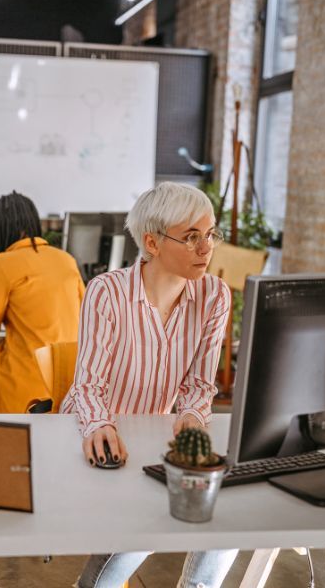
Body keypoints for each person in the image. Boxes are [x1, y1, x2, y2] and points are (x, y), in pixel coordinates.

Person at [60, 182, 238, 588]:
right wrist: (98, 425)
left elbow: (199, 383)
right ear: (152, 244)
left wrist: (193, 414)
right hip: (91, 434)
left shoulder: (214, 296)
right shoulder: (107, 292)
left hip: (151, 435)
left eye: (210, 234)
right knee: (145, 527)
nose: (205, 248)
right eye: (191, 237)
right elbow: (88, 385)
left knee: (228, 516)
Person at [0, 192, 85, 413]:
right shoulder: (66, 259)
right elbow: (86, 317)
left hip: (25, 388)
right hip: (69, 383)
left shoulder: (2, 263)